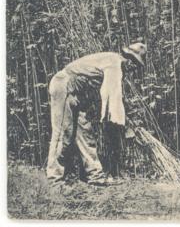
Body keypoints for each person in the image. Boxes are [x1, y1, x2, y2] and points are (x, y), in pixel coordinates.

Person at [46, 43, 146, 186]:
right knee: (63, 133)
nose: (133, 68)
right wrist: (121, 123)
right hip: (64, 85)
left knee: (85, 134)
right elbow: (114, 101)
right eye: (134, 63)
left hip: (78, 94)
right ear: (128, 59)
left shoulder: (115, 66)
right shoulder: (114, 64)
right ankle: (54, 180)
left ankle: (95, 176)